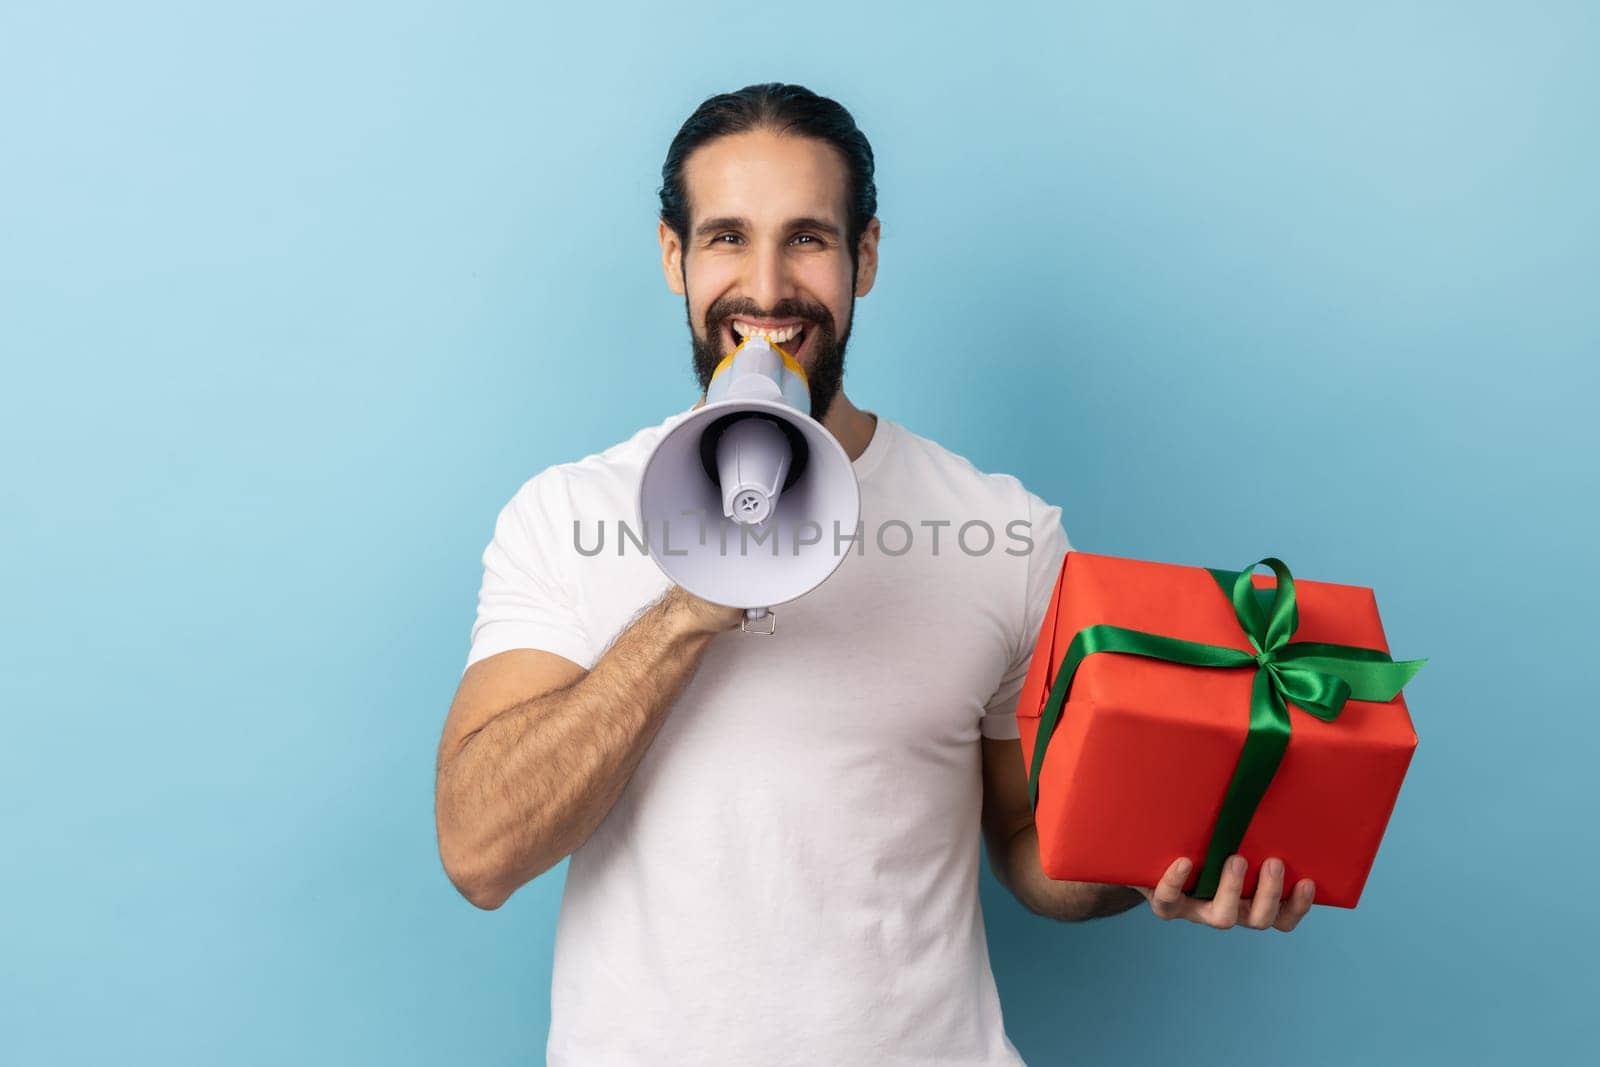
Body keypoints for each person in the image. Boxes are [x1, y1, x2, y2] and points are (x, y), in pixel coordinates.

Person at [433, 83, 1315, 1066]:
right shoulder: (567, 514)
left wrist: (1158, 856)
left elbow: (1029, 840)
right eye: (727, 237)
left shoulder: (1006, 530)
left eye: (807, 238)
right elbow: (479, 851)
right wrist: (686, 607)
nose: (766, 288)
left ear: (865, 257)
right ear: (674, 257)